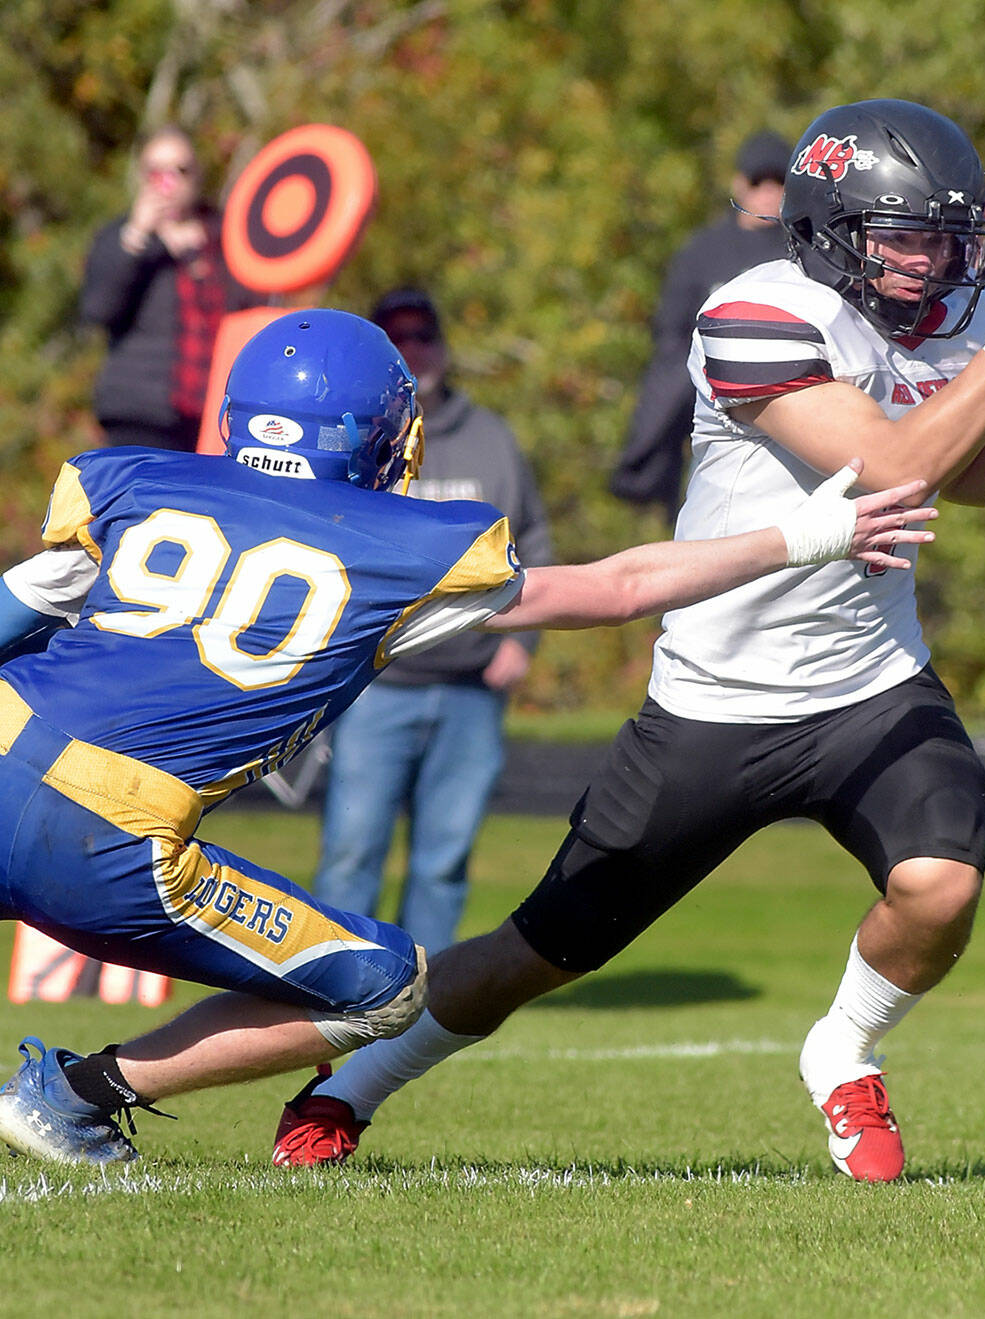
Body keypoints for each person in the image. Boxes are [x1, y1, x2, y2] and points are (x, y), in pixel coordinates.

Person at [269, 101, 985, 1182]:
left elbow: (952, 451)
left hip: (867, 686)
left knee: (940, 883)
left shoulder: (960, 312)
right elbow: (892, 464)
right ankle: (356, 1083)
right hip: (716, 697)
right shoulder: (752, 313)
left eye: (947, 236)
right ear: (827, 232)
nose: (932, 261)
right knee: (540, 950)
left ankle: (842, 1050)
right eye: (904, 237)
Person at [0, 308, 936, 1166]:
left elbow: (16, 611)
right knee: (387, 989)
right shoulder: (397, 547)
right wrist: (802, 537)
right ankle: (77, 1091)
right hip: (110, 828)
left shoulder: (137, 483)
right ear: (381, 432)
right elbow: (617, 588)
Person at [312, 287, 554, 955]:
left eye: (424, 335)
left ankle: (420, 997)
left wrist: (524, 641)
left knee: (442, 861)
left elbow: (531, 540)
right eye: (399, 338)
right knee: (351, 853)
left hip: (472, 685)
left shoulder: (491, 437)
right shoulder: (355, 438)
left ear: (443, 345)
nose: (414, 349)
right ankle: (329, 993)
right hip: (376, 684)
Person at [609, 130, 792, 521]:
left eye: (780, 181)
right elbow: (670, 341)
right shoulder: (702, 252)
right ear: (740, 184)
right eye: (760, 181)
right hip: (713, 422)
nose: (768, 192)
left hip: (790, 416)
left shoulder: (804, 250)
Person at [79, 125, 256, 452]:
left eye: (181, 170)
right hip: (140, 415)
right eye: (156, 172)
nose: (169, 182)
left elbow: (255, 307)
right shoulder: (120, 238)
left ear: (197, 174)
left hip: (213, 419)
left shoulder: (227, 237)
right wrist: (136, 236)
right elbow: (98, 310)